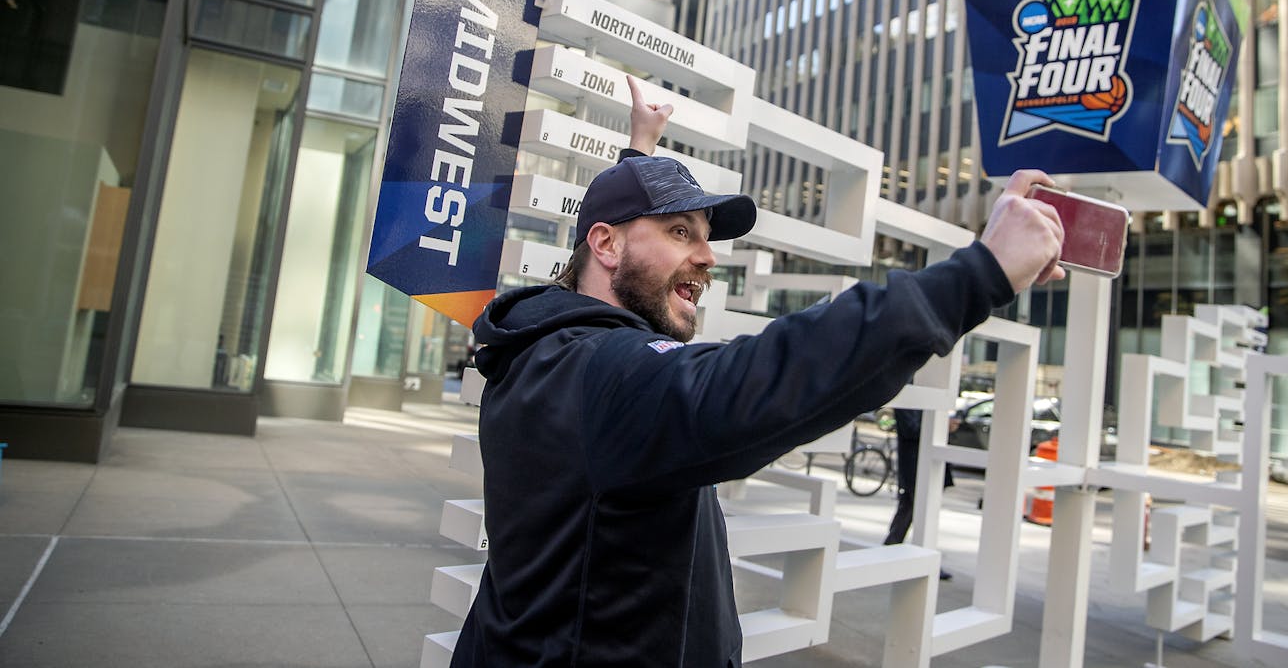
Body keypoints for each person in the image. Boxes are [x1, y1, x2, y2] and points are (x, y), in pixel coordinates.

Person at [451, 77, 1066, 667]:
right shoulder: (603, 375)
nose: (707, 256)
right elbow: (771, 373)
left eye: (704, 236)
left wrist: (638, 157)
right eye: (679, 231)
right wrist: (982, 272)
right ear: (607, 245)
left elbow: (605, 263)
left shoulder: (553, 351)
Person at [882, 407, 958, 559]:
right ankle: (900, 549)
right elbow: (911, 429)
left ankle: (891, 548)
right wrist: (942, 425)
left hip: (923, 462)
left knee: (911, 508)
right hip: (915, 463)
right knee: (914, 508)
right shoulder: (911, 399)